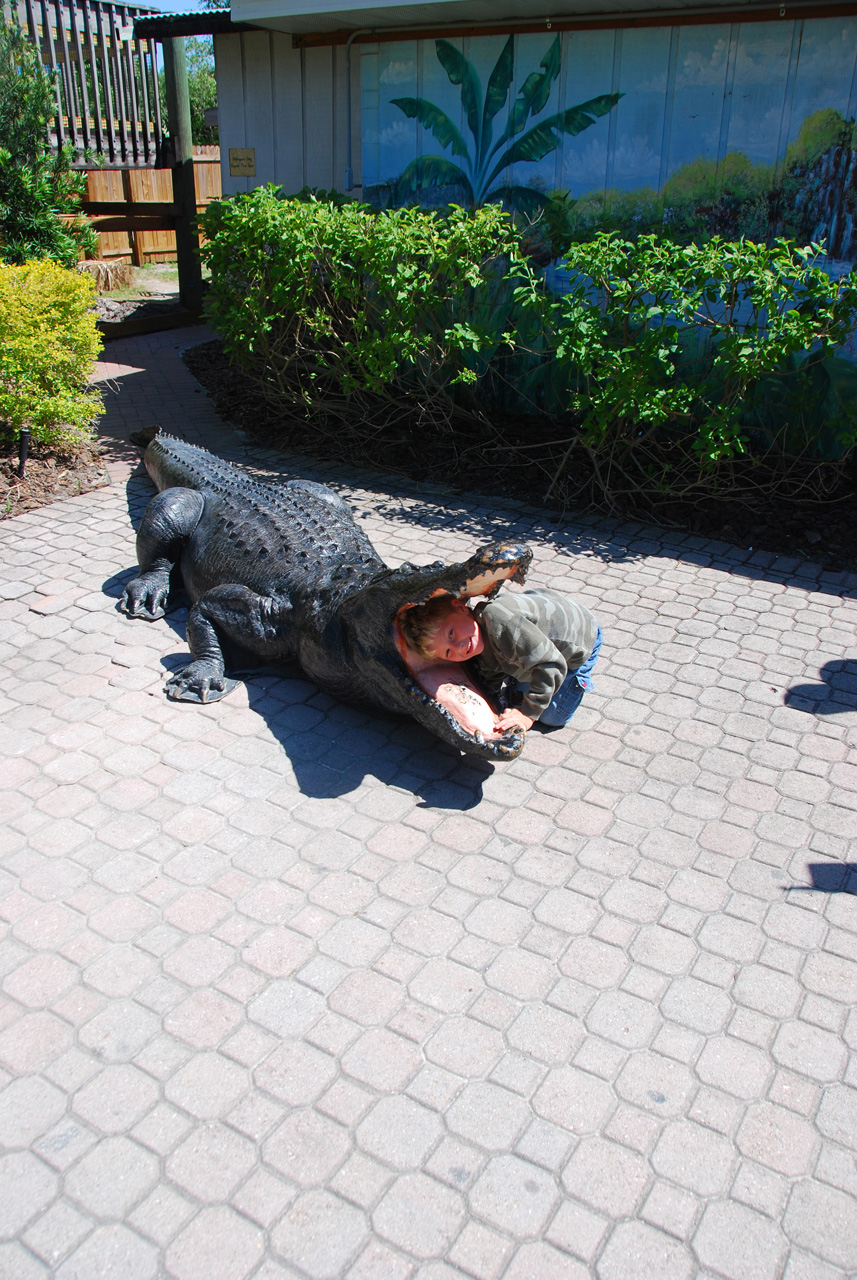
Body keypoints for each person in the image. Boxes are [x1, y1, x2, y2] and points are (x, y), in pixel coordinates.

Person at [400, 588, 602, 735]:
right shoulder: (478, 639)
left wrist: (528, 716)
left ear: (460, 608)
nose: (458, 647)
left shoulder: (501, 622)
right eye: (447, 651)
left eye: (451, 633)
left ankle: (578, 677)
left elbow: (552, 664)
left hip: (577, 642)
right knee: (515, 699)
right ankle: (524, 670)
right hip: (539, 643)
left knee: (551, 716)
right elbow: (490, 672)